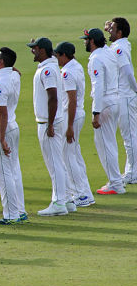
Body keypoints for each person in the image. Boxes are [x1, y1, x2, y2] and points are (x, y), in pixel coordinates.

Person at [27, 37, 70, 216]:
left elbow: (53, 97)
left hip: (49, 122)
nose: (32, 51)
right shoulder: (49, 67)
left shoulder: (47, 71)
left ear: (42, 50)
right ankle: (67, 200)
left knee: (54, 164)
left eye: (35, 49)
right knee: (58, 162)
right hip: (52, 121)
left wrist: (50, 124)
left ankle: (59, 202)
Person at [81, 28, 124, 194]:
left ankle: (115, 184)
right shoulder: (109, 53)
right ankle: (116, 180)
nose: (85, 42)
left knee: (105, 145)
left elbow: (98, 86)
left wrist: (95, 112)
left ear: (92, 41)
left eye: (86, 40)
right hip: (115, 100)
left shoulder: (96, 59)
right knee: (110, 143)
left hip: (105, 103)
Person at [0, 47, 27, 224]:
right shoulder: (14, 76)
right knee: (14, 170)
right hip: (13, 125)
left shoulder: (0, 84)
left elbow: (2, 113)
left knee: (4, 173)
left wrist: (1, 138)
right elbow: (16, 72)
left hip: (1, 127)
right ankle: (20, 210)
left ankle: (11, 214)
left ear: (1, 62)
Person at [54, 42, 95, 207]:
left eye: (57, 55)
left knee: (68, 156)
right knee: (75, 155)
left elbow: (71, 100)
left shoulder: (67, 73)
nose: (56, 58)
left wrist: (69, 126)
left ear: (64, 55)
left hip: (71, 115)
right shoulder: (75, 65)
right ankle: (86, 193)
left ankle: (80, 195)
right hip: (78, 114)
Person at [105, 18, 137, 185]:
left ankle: (133, 173)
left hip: (125, 95)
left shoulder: (119, 49)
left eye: (112, 29)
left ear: (119, 33)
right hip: (124, 95)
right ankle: (132, 171)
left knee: (129, 136)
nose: (109, 31)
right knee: (129, 135)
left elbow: (127, 72)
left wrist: (135, 89)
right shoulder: (120, 45)